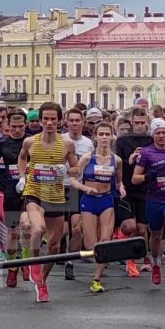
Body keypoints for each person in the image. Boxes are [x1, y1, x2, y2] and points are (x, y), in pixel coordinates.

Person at [17, 103, 80, 302]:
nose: (49, 123)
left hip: (56, 196)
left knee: (54, 246)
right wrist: (22, 177)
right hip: (34, 192)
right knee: (37, 229)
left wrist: (66, 171)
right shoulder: (30, 141)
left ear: (60, 120)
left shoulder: (67, 144)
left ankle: (42, 282)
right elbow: (22, 158)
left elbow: (77, 169)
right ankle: (34, 264)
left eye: (53, 119)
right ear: (41, 120)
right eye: (46, 119)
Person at [133, 118, 165, 285]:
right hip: (154, 199)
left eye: (164, 132)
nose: (161, 136)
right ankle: (155, 264)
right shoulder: (147, 153)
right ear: (153, 135)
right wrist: (149, 176)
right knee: (155, 235)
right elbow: (135, 179)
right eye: (158, 133)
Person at [76, 121, 119, 292]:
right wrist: (87, 188)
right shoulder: (87, 158)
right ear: (95, 137)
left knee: (105, 242)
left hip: (107, 200)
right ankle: (82, 227)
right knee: (90, 246)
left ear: (112, 137)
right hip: (89, 201)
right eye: (101, 134)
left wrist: (121, 186)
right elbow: (74, 179)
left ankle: (96, 280)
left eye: (107, 134)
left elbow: (119, 180)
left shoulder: (117, 160)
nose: (104, 138)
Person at [0, 109, 28, 286]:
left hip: (30, 191)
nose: (17, 130)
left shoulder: (33, 141)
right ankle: (12, 268)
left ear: (25, 125)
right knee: (13, 232)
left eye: (20, 126)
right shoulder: (2, 143)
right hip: (11, 191)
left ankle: (27, 264)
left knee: (27, 228)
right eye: (13, 127)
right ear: (7, 126)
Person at [115, 109, 155, 277]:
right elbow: (116, 163)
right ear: (131, 122)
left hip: (145, 188)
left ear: (147, 122)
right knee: (130, 226)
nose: (139, 126)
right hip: (127, 189)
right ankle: (130, 260)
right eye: (136, 122)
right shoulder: (123, 140)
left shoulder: (151, 140)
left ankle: (145, 257)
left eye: (142, 122)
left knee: (142, 228)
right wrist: (129, 159)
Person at [62, 108, 95, 281]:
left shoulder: (88, 143)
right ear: (66, 122)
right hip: (58, 187)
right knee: (60, 231)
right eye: (71, 120)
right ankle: (58, 250)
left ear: (82, 122)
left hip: (77, 188)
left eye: (77, 120)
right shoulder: (61, 140)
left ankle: (70, 262)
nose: (75, 124)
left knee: (76, 229)